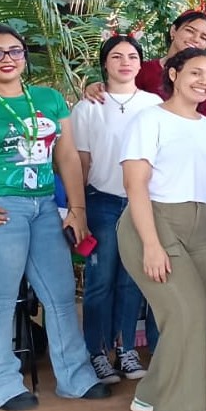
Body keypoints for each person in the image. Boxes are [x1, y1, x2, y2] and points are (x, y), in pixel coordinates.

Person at [0, 25, 109, 411]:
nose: (7, 58)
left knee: (60, 295)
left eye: (15, 51)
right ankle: (0, 385)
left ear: (25, 57)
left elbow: (66, 159)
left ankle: (75, 378)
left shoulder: (48, 99)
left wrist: (76, 209)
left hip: (43, 207)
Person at [116, 47, 206, 411]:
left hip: (202, 229)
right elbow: (135, 184)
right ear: (173, 73)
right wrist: (152, 244)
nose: (204, 81)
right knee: (186, 312)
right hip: (155, 221)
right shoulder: (149, 120)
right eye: (195, 72)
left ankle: (150, 393)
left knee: (194, 317)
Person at [73, 32, 163, 385]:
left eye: (132, 57)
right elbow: (80, 162)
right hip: (102, 201)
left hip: (143, 202)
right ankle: (97, 352)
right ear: (105, 64)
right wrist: (76, 209)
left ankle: (126, 349)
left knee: (132, 281)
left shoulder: (154, 105)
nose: (125, 62)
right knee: (100, 279)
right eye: (116, 57)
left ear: (141, 64)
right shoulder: (88, 107)